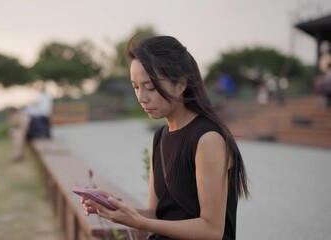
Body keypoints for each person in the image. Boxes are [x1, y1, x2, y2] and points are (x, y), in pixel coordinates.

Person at [78, 35, 249, 240]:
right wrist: (118, 210)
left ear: (181, 84)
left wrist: (140, 222)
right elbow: (156, 215)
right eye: (136, 87)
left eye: (150, 87)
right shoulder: (159, 137)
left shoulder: (208, 138)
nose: (142, 97)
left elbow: (211, 230)